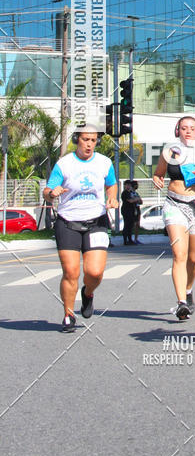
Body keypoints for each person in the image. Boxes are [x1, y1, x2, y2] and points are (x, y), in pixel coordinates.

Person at [42, 125, 118, 333]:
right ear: (77, 140)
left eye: (93, 140)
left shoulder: (104, 162)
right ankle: (68, 314)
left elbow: (111, 184)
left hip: (97, 222)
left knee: (94, 272)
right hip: (68, 222)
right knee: (71, 271)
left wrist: (112, 197)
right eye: (85, 139)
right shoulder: (64, 164)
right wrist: (52, 193)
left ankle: (88, 294)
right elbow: (48, 191)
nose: (89, 144)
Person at [152, 116, 195, 320]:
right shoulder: (169, 151)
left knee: (193, 258)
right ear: (178, 131)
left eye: (192, 128)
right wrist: (157, 180)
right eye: (184, 128)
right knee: (179, 254)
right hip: (174, 205)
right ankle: (181, 302)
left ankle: (189, 289)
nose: (188, 131)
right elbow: (159, 174)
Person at [120, 179, 137, 246]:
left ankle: (130, 239)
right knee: (126, 225)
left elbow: (138, 200)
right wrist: (135, 199)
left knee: (130, 226)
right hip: (126, 211)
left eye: (129, 185)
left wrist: (135, 199)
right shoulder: (125, 193)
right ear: (124, 186)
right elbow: (130, 200)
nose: (128, 186)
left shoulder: (131, 192)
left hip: (131, 210)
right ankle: (125, 240)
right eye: (127, 185)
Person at [131, 180, 143, 244]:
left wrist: (137, 200)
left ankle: (136, 238)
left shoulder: (136, 193)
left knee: (137, 224)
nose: (137, 186)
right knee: (132, 224)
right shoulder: (130, 193)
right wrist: (136, 200)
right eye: (136, 185)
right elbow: (132, 200)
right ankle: (130, 238)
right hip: (132, 209)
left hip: (137, 208)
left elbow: (141, 201)